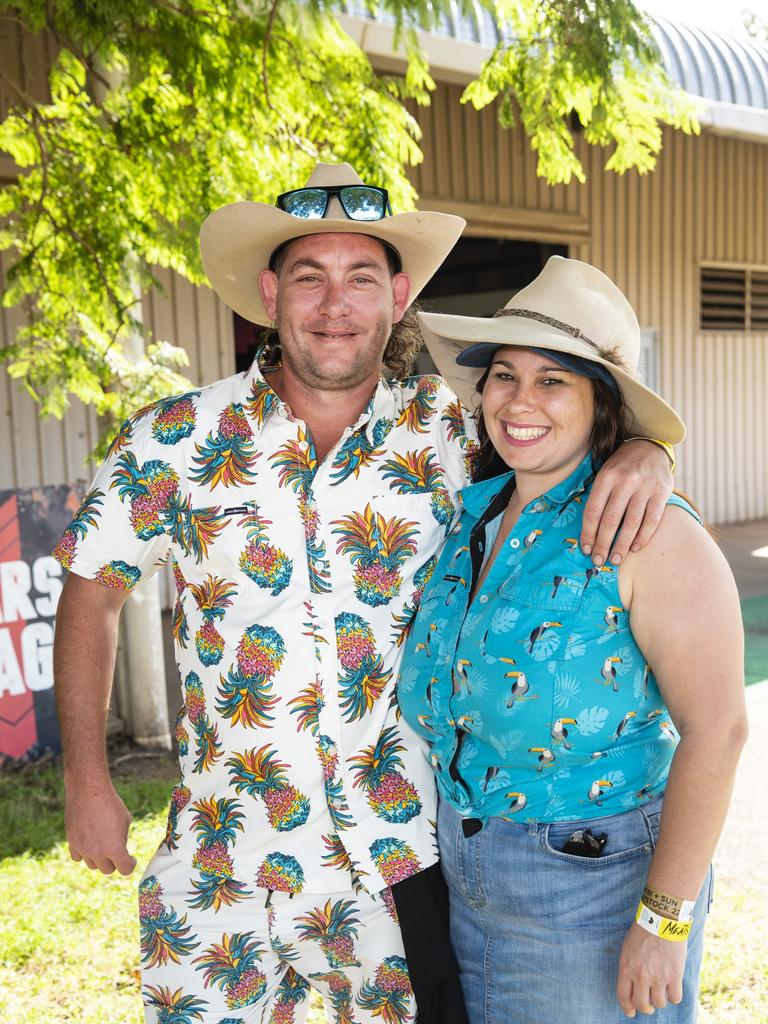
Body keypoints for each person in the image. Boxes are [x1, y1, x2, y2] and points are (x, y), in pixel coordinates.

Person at [52, 165, 675, 1024]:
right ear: (270, 293)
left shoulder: (457, 430)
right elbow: (91, 592)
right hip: (219, 857)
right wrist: (87, 776)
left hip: (400, 863)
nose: (334, 305)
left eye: (361, 279)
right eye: (309, 277)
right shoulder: (172, 440)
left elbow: (570, 429)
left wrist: (647, 451)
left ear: (400, 293)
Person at [398, 255, 748, 1024]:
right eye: (505, 375)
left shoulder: (650, 534)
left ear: (601, 405)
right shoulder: (471, 518)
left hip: (597, 890)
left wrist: (663, 922)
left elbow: (718, 731)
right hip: (466, 876)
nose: (520, 401)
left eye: (554, 380)